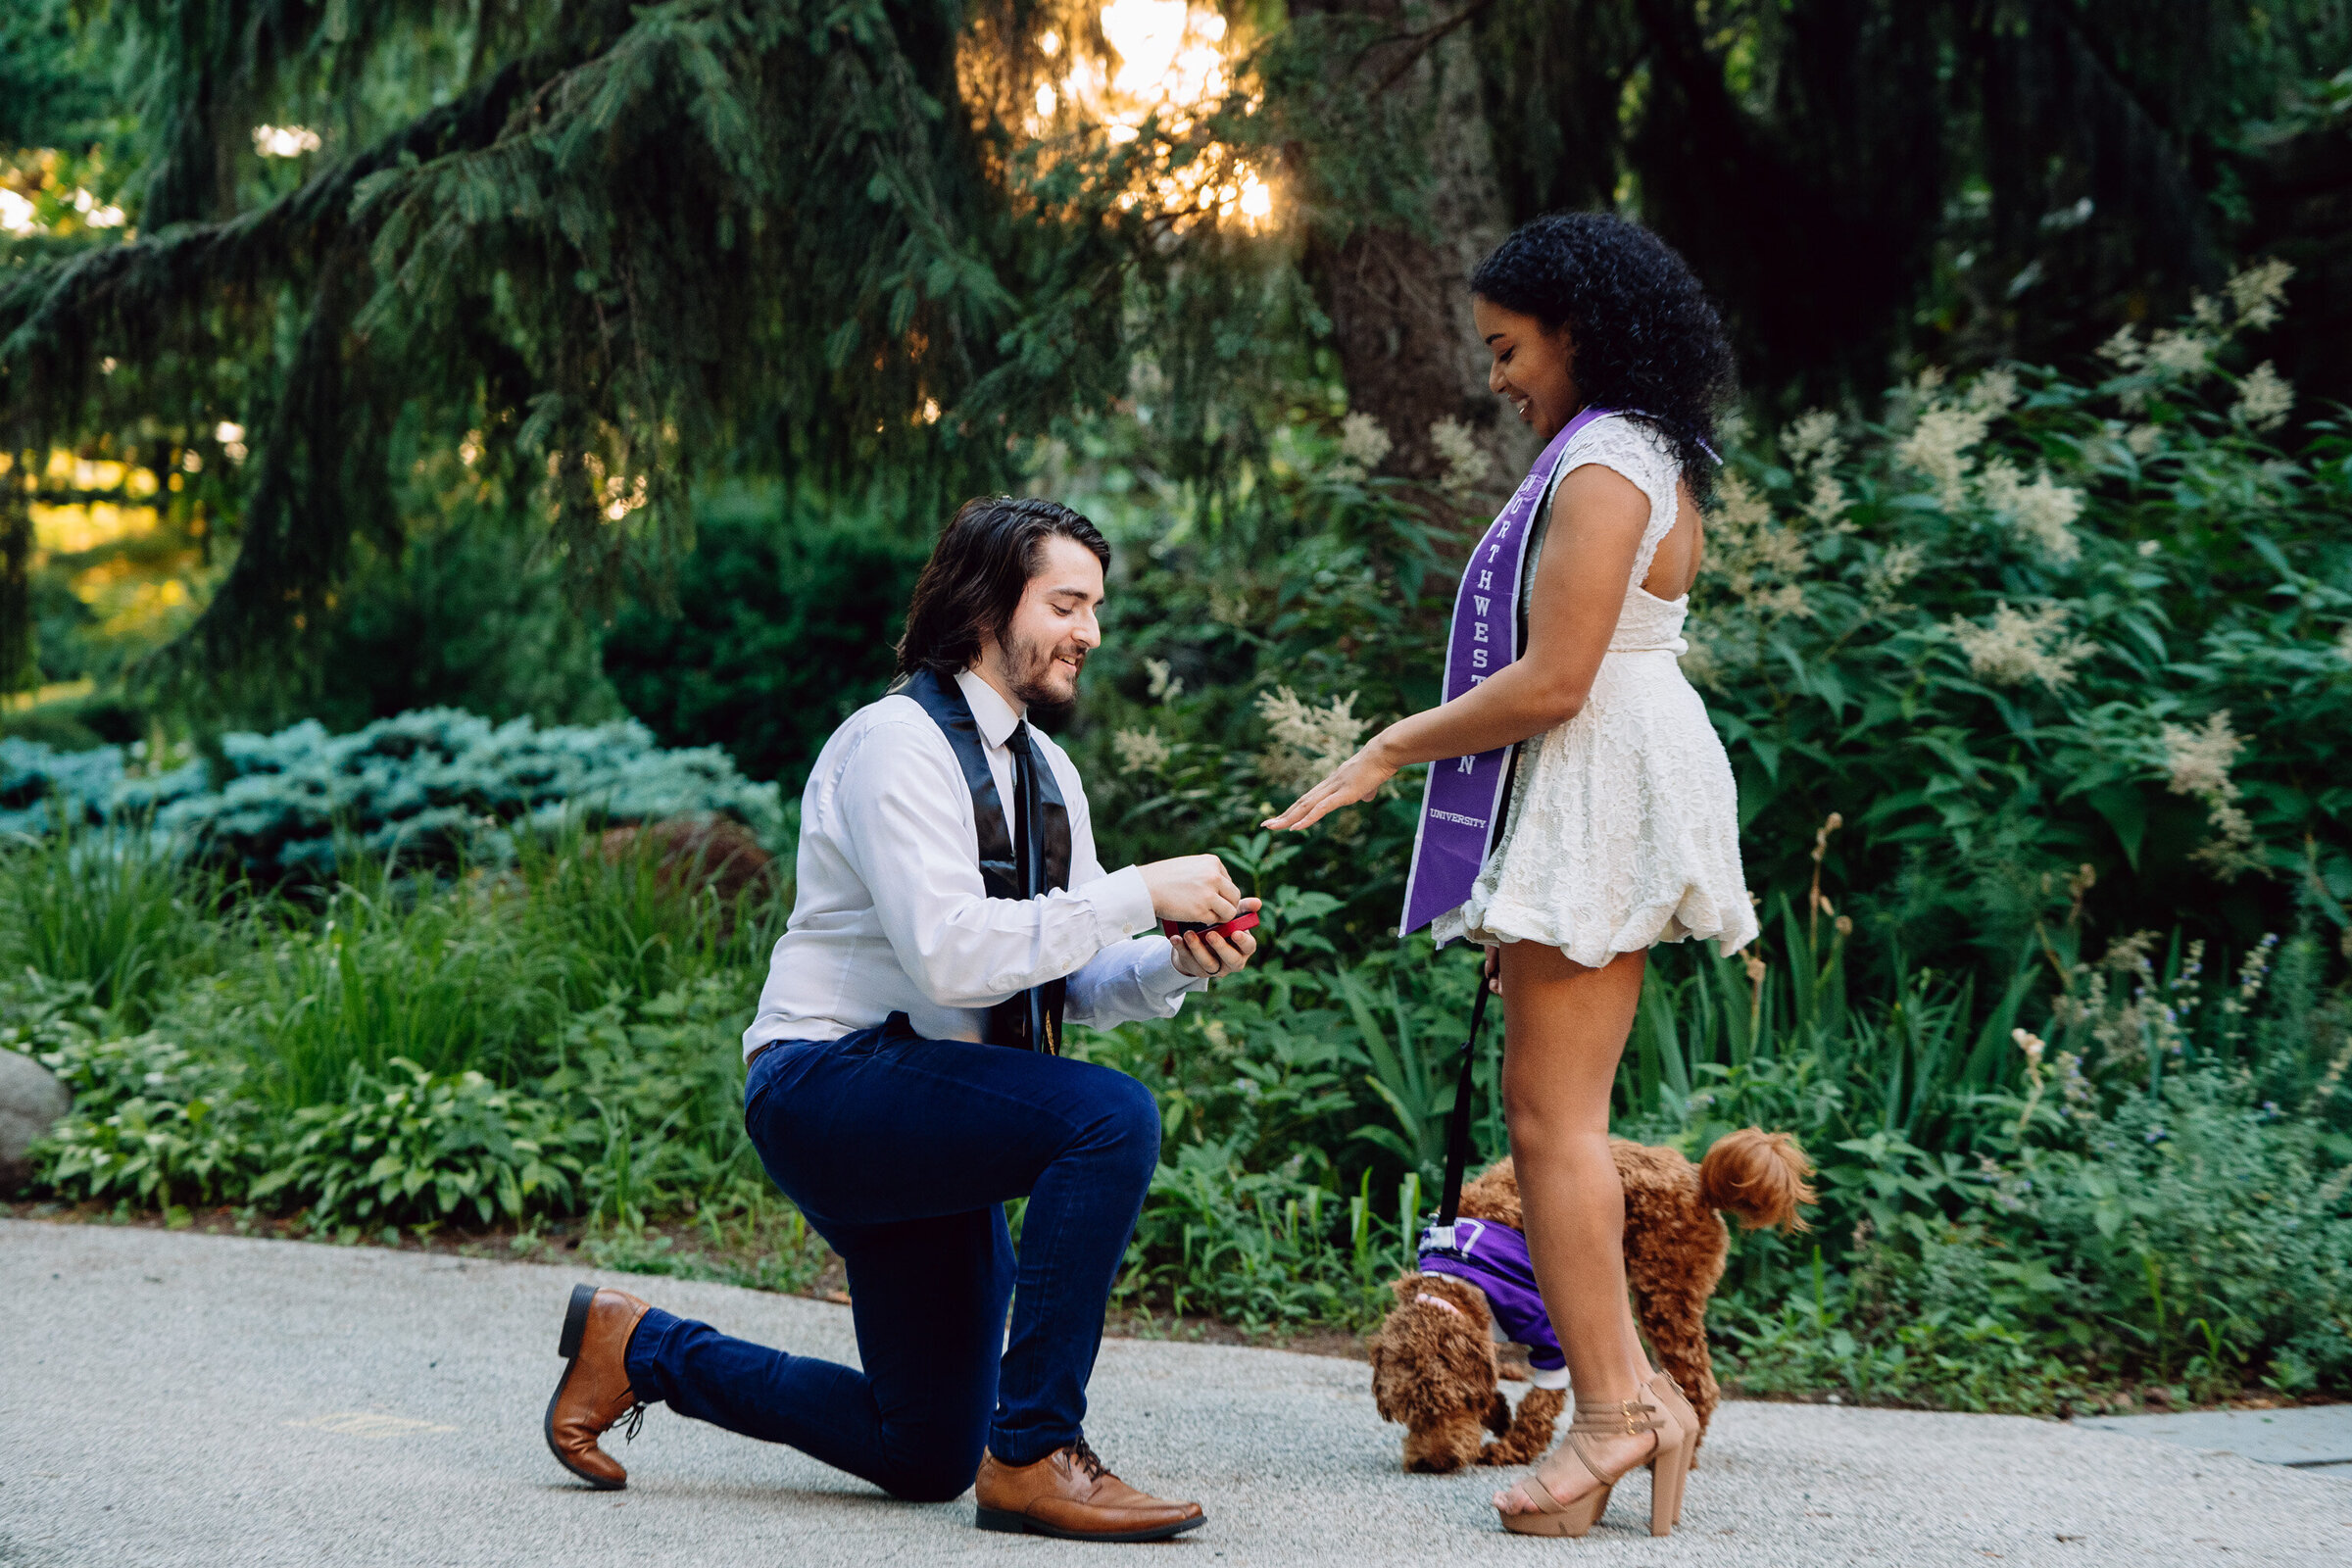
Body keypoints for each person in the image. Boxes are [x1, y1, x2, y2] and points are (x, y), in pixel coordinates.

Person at [544, 496, 1261, 1544]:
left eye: (1095, 607)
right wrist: (1140, 889)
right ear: (987, 604)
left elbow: (1069, 975)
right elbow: (952, 951)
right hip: (826, 1083)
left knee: (922, 1446)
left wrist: (1175, 962)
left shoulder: (1049, 774)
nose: (1091, 633)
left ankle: (638, 1348)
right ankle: (1038, 1453)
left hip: (935, 1104)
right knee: (1109, 1119)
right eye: (1068, 603)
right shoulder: (893, 746)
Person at [1264, 212, 1754, 1539]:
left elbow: (1553, 681)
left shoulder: (1604, 465)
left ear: (1577, 330)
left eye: (1508, 347)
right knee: (1551, 1114)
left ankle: (1617, 1411)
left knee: (1551, 1122)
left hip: (1603, 775)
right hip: (1607, 778)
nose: (1497, 377)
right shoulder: (1644, 453)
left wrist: (1386, 751)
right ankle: (1629, 1401)